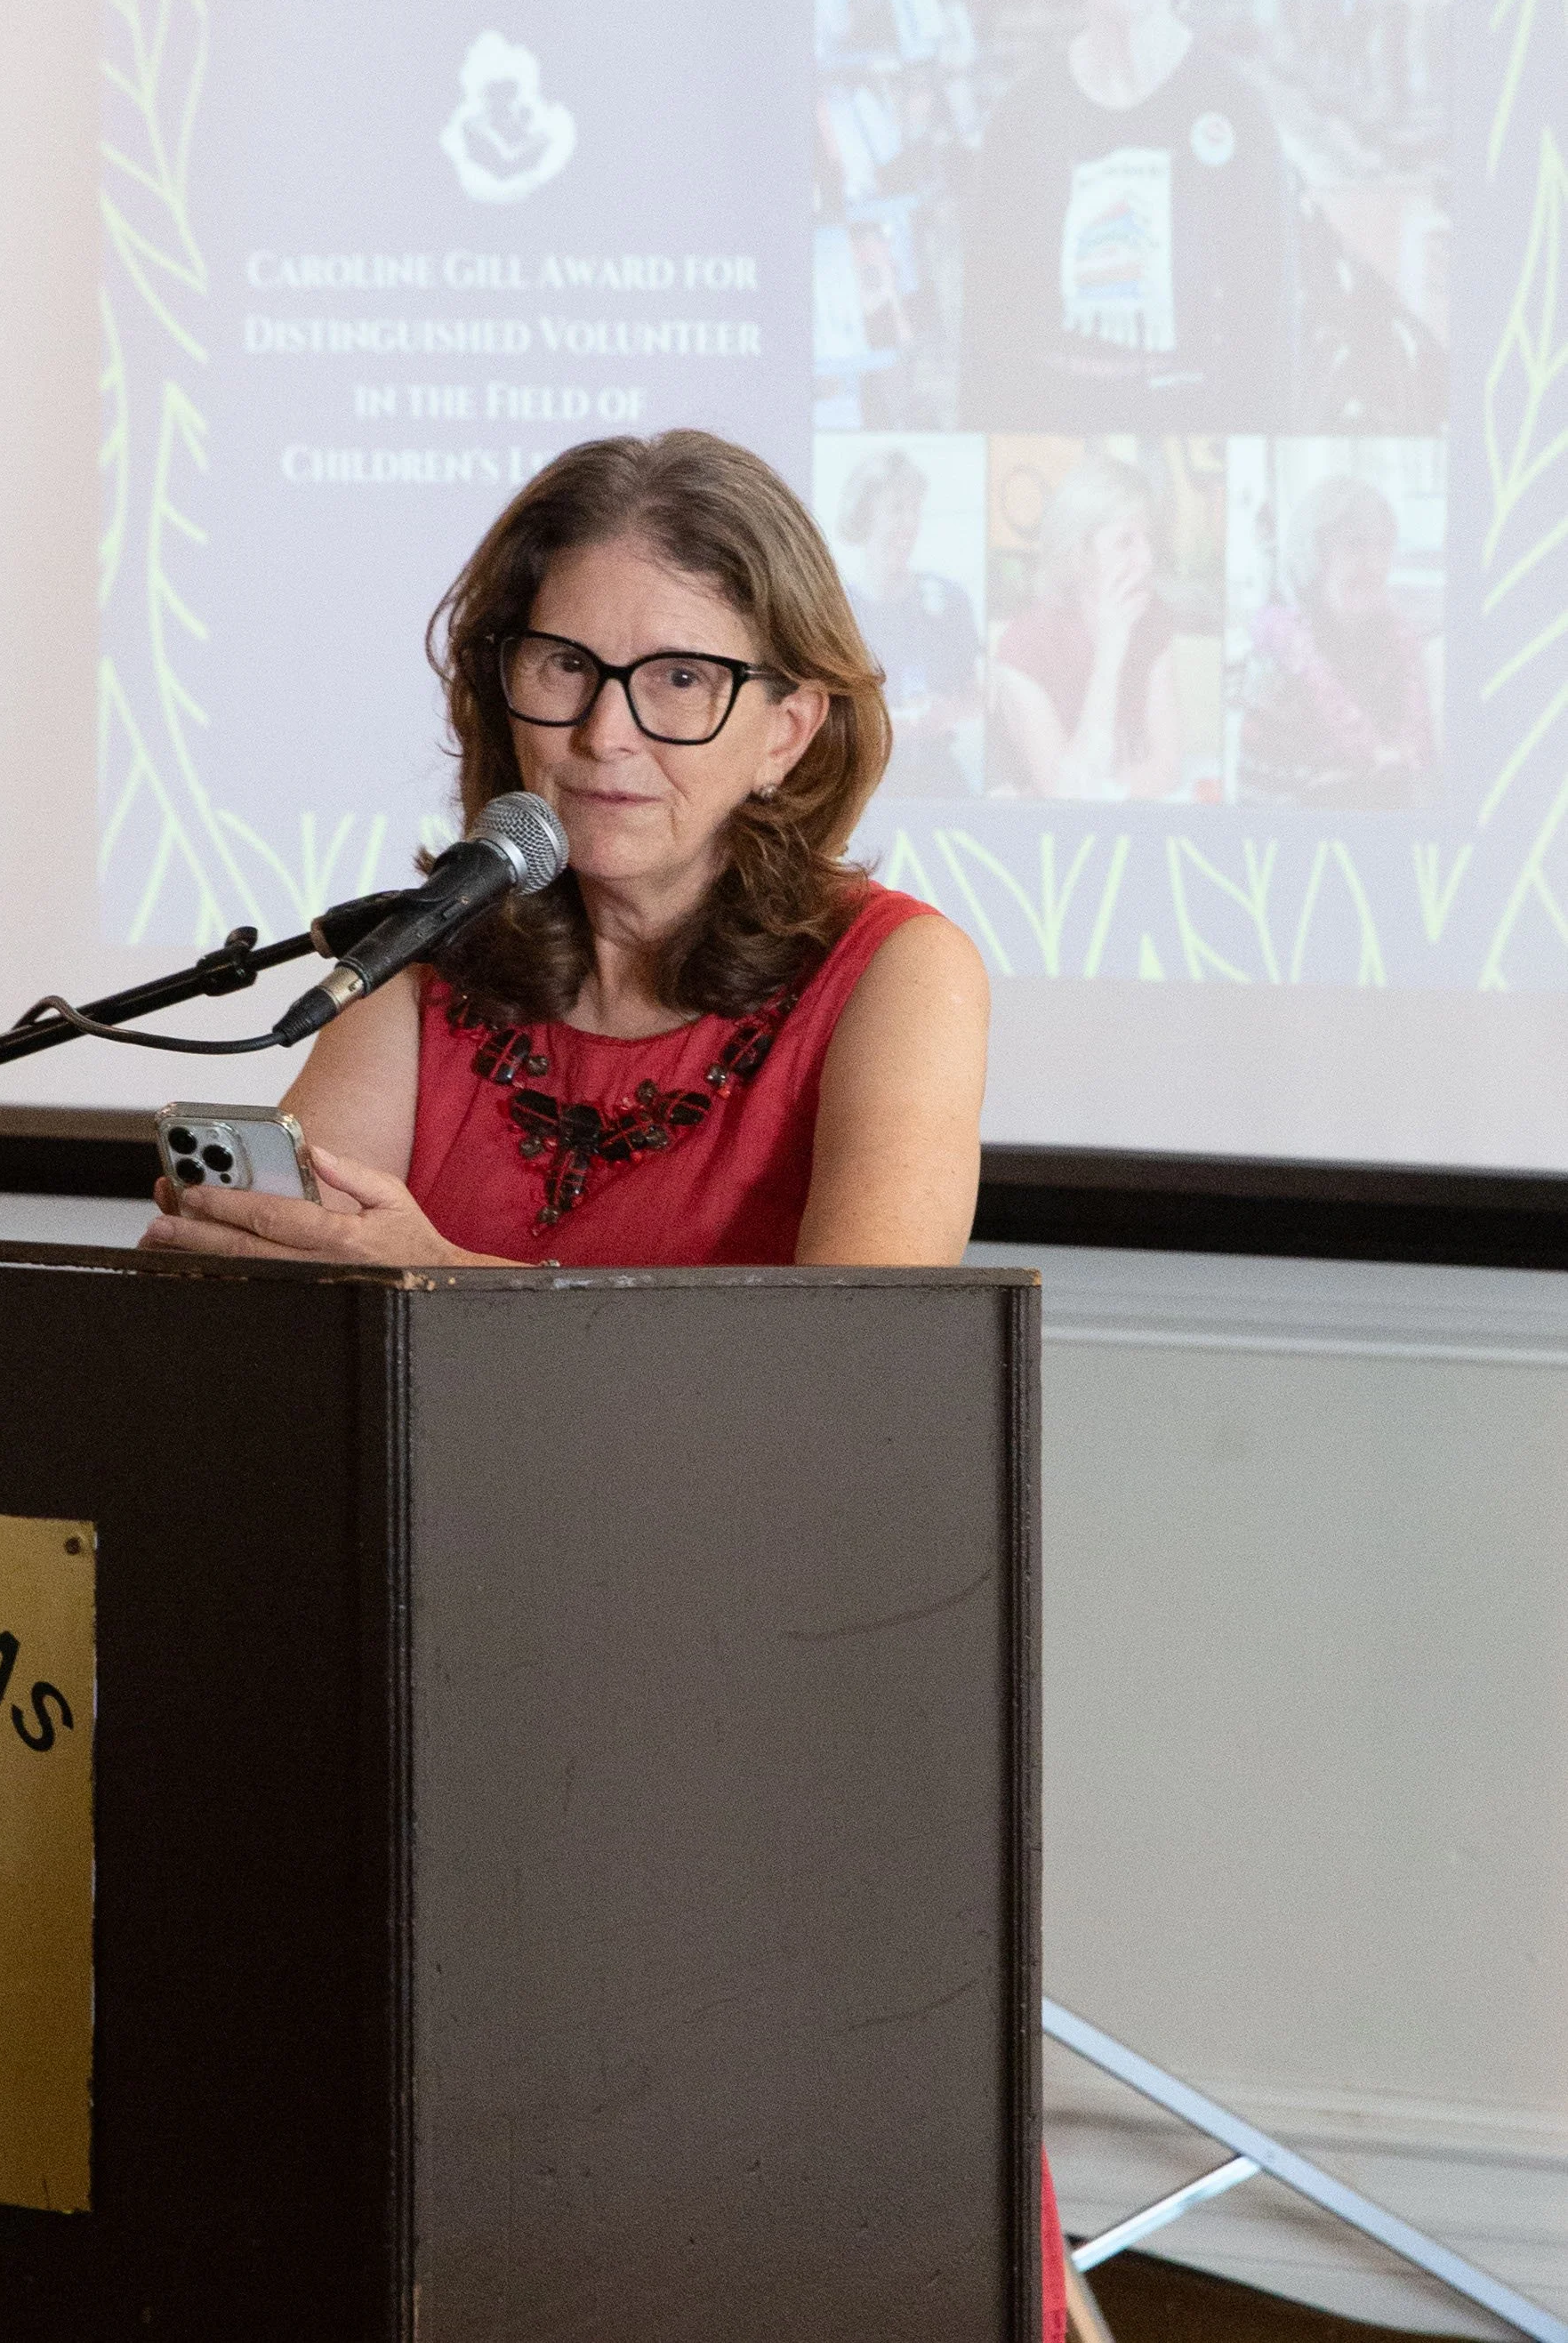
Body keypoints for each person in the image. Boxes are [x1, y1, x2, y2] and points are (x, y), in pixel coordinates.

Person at [141, 427, 1066, 2339]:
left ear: (792, 727)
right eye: (557, 667)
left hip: (762, 1726)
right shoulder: (412, 979)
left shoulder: (899, 975)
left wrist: (429, 1277)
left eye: (682, 681)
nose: (604, 732)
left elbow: (849, 1383)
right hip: (435, 1718)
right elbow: (284, 1337)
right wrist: (231, 1270)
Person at [958, 0, 1296, 433]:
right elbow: (984, 345)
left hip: (1198, 467)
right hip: (1047, 467)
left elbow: (1271, 342)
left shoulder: (1237, 114)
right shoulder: (1021, 119)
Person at [1239, 472, 1438, 809]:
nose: (1373, 564)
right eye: (1354, 545)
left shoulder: (1401, 648)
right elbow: (1257, 796)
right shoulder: (1280, 657)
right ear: (1314, 555)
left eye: (1383, 546)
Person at [992, 452, 1183, 799]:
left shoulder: (1153, 618)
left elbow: (1166, 768)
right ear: (1078, 556)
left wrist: (1108, 793)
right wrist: (1110, 655)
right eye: (1126, 541)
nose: (1147, 560)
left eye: (1148, 539)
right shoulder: (1023, 646)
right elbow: (1067, 795)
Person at [836, 449, 983, 797]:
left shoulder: (948, 600)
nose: (909, 522)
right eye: (896, 509)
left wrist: (944, 714)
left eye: (915, 509)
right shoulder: (835, 609)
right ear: (865, 517)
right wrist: (891, 725)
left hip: (937, 782)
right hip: (857, 783)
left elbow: (976, 694)